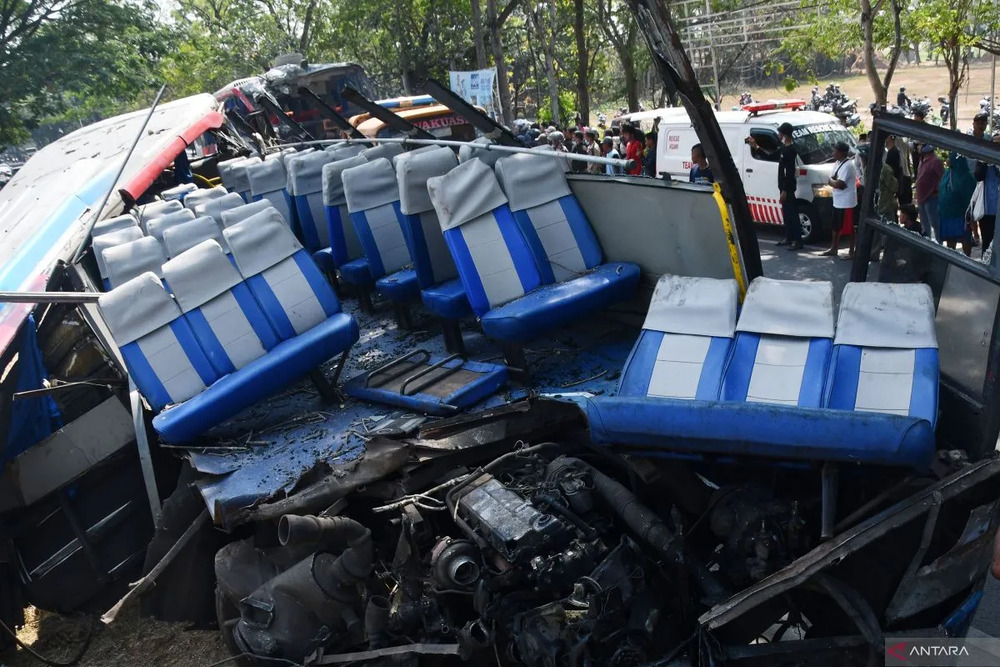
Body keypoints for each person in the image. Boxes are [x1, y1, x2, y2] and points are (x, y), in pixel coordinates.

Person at [747, 122, 801, 249]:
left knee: (792, 214)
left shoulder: (790, 151)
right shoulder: (783, 148)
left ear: (786, 135)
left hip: (788, 188)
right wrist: (756, 147)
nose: (779, 135)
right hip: (783, 187)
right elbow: (770, 155)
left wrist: (785, 190)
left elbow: (790, 173)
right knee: (787, 215)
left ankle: (797, 241)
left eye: (781, 133)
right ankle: (789, 237)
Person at [823, 141, 858, 258]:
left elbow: (839, 183)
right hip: (837, 201)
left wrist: (832, 182)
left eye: (835, 151)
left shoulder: (848, 165)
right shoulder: (838, 163)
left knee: (849, 227)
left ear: (841, 153)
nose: (833, 152)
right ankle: (834, 248)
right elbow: (832, 178)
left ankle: (851, 251)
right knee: (835, 225)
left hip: (847, 202)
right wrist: (833, 182)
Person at [937, 151, 976, 255]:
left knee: (965, 237)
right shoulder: (948, 172)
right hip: (947, 213)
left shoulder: (964, 176)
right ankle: (952, 259)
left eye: (951, 157)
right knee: (950, 238)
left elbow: (968, 194)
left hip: (961, 214)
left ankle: (968, 260)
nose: (948, 160)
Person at [915, 144, 944, 239]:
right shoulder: (922, 160)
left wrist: (938, 191)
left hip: (931, 197)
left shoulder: (935, 161)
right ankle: (927, 246)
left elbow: (942, 177)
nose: (918, 147)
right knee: (925, 225)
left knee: (935, 223)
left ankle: (938, 245)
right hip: (921, 197)